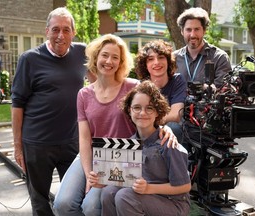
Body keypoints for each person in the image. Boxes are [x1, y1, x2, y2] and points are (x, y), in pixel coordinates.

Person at [53, 34, 176, 216]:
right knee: (62, 204)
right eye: (105, 55)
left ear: (121, 62)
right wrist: (89, 175)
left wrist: (165, 128)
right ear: (96, 57)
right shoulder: (84, 94)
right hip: (90, 153)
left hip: (121, 158)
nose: (109, 61)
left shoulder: (133, 87)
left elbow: (152, 113)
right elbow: (85, 138)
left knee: (92, 206)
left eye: (115, 57)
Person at [11, 7, 91, 216]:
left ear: (73, 32)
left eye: (66, 30)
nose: (60, 36)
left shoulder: (82, 53)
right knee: (40, 202)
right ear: (47, 31)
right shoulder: (29, 59)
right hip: (37, 144)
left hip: (72, 141)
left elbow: (100, 84)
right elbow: (17, 104)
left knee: (76, 198)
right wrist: (18, 147)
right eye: (55, 29)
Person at [100, 80, 191, 216]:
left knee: (125, 196)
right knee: (108, 192)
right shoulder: (130, 143)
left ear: (157, 112)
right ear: (129, 110)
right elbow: (122, 178)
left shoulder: (169, 144)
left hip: (173, 204)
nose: (143, 113)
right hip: (145, 197)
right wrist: (99, 180)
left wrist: (149, 188)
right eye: (137, 107)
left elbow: (185, 186)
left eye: (149, 108)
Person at [135, 39, 187, 143]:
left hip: (170, 132)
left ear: (168, 61)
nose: (157, 62)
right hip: (146, 130)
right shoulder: (141, 86)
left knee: (173, 127)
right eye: (150, 59)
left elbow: (175, 115)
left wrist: (150, 121)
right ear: (145, 64)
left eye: (161, 57)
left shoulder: (177, 80)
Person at [173, 7, 232, 90]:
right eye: (188, 30)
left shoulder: (219, 58)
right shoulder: (173, 58)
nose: (192, 35)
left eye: (197, 29)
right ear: (182, 31)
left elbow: (222, 90)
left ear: (204, 31)